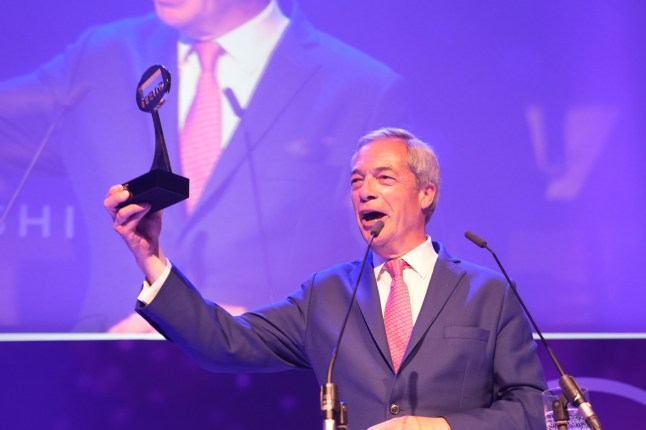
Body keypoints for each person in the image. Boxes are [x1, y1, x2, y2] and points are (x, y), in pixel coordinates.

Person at [0, 0, 410, 331]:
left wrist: (267, 330)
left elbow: (397, 278)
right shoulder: (102, 56)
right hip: (109, 375)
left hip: (273, 386)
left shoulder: (360, 89)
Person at [105, 127, 547, 429]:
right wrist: (150, 257)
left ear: (426, 192)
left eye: (383, 178)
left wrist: (444, 426)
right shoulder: (328, 293)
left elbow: (530, 407)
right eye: (356, 181)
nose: (365, 191)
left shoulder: (486, 292)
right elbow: (224, 343)